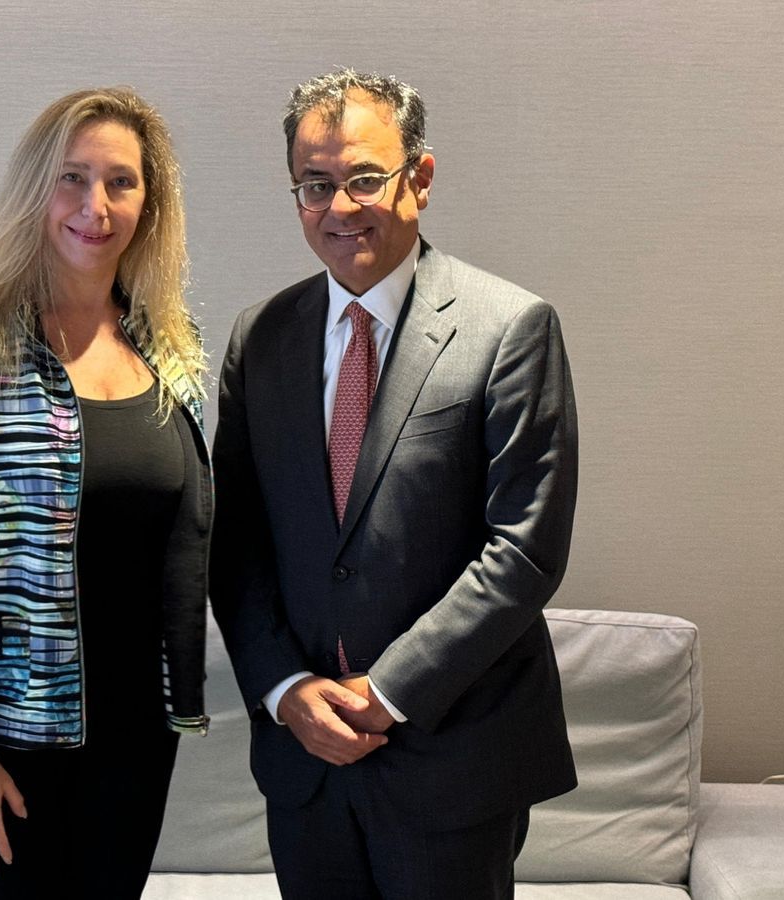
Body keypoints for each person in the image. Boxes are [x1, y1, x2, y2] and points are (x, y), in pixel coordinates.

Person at [210, 68, 579, 899]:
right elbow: (235, 545)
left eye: (365, 178)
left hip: (454, 755)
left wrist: (388, 690)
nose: (341, 207)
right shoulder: (259, 339)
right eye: (315, 185)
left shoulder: (510, 328)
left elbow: (524, 552)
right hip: (307, 759)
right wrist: (285, 690)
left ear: (421, 176)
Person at [0, 87, 211, 899]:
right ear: (37, 189)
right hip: (7, 733)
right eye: (73, 178)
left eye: (120, 182)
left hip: (137, 726)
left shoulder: (171, 350)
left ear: (149, 202)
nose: (95, 206)